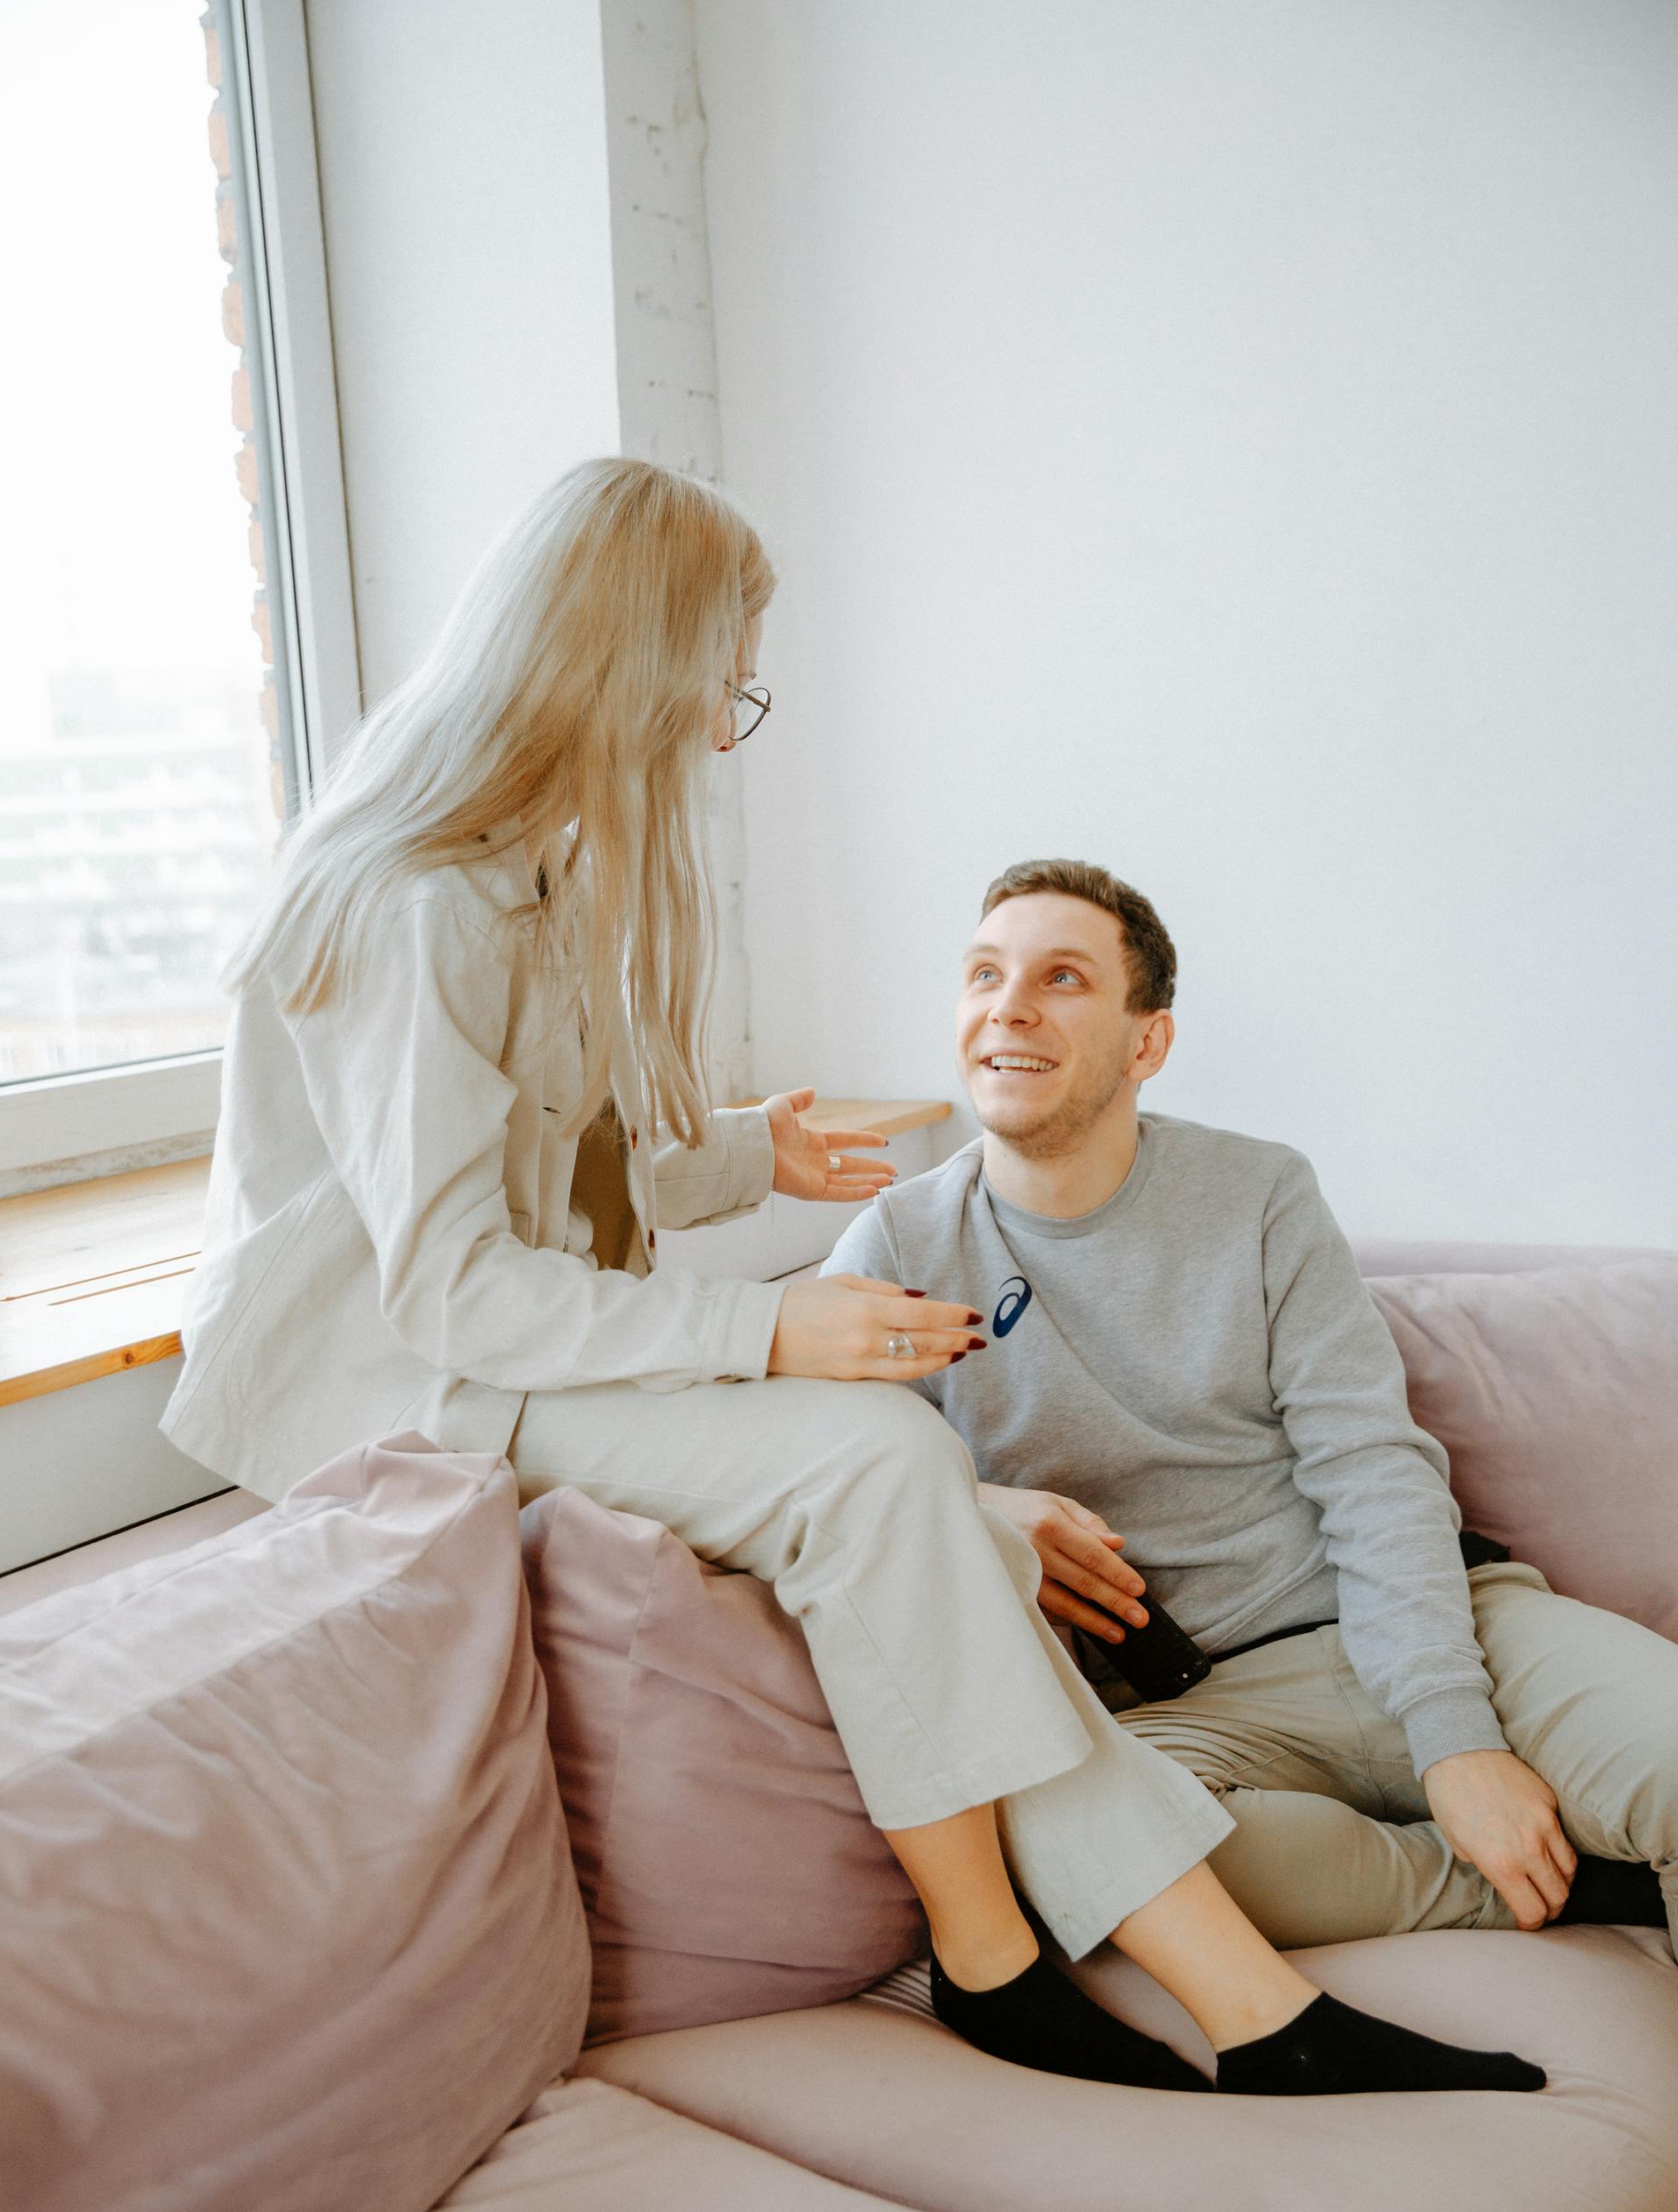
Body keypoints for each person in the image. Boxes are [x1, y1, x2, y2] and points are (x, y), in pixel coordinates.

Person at [164, 458, 1542, 2100]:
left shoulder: (528, 882)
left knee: (913, 1483)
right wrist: (767, 1324)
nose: (715, 728)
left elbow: (539, 1157)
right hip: (401, 1385)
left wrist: (742, 1157)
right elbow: (453, 1288)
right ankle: (1151, 1988)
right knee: (886, 1457)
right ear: (632, 658)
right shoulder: (420, 906)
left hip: (494, 1347)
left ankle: (1061, 1971)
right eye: (720, 683)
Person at [823, 856, 1676, 1958]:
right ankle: (1570, 1885)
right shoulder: (896, 1245)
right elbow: (793, 1468)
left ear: (1147, 1043)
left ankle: (1526, 1827)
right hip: (1194, 1713)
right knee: (1094, 1861)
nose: (1008, 1007)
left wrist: (1456, 1737)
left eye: (1062, 978)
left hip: (1431, 1627)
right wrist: (975, 1508)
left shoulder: (1260, 1192)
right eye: (984, 974)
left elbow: (1371, 1462)